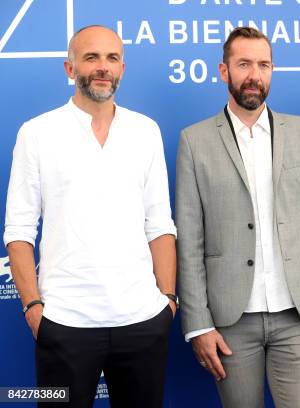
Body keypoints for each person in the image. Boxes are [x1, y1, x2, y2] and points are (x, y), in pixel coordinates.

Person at [3, 25, 177, 407]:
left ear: (122, 68)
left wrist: (167, 301)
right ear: (70, 68)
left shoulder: (145, 131)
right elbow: (18, 232)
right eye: (91, 57)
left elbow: (160, 224)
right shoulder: (36, 134)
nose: (103, 67)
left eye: (112, 58)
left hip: (142, 321)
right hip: (64, 323)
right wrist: (34, 308)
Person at [176, 27, 300, 408]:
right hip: (231, 321)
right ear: (223, 71)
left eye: (263, 65)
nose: (254, 75)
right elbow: (190, 239)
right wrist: (198, 323)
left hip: (299, 318)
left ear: (272, 70)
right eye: (244, 64)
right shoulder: (194, 140)